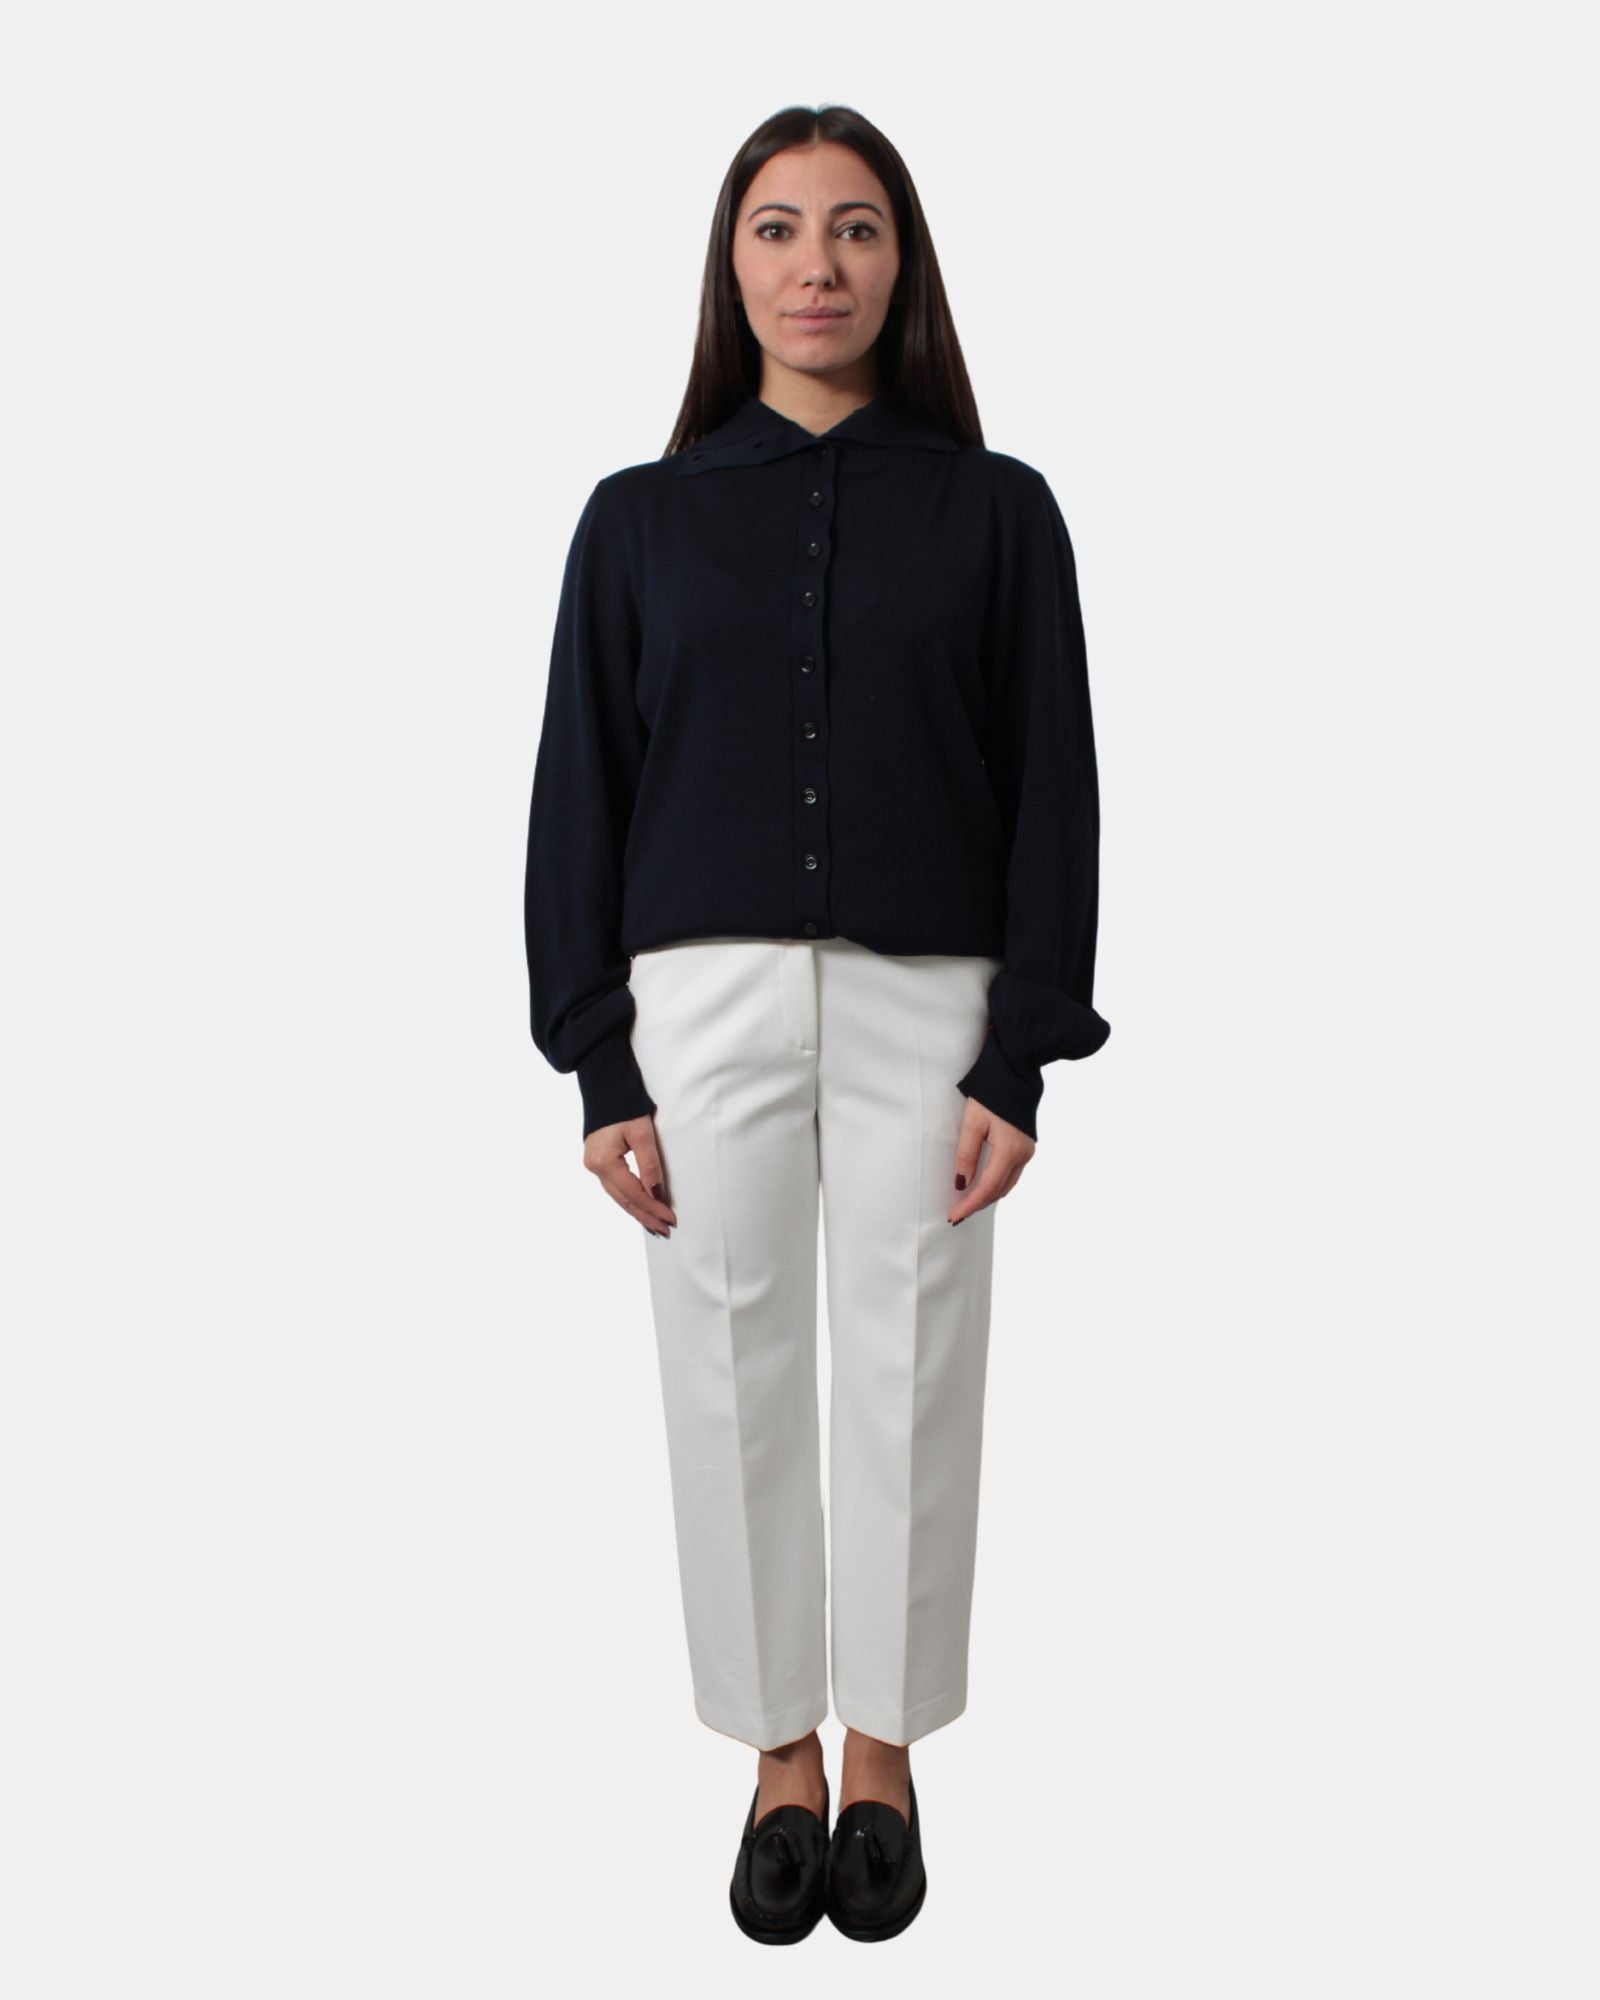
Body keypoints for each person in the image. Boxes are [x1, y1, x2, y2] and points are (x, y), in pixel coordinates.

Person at [523, 101, 1110, 1944]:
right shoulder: (638, 520)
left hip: (932, 1003)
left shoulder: (999, 513)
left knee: (915, 1364)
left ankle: (885, 1752)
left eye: (855, 228)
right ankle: (777, 1754)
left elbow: (1055, 789)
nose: (817, 266)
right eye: (778, 229)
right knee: (727, 1361)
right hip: (695, 1004)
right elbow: (578, 793)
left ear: (903, 262)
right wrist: (597, 1056)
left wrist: (1021, 1051)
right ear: (732, 264)